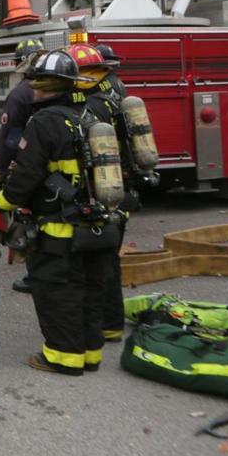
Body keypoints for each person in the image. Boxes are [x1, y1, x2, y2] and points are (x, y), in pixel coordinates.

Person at [0, 49, 115, 375]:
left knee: (58, 290)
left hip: (59, 228)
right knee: (90, 290)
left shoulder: (43, 123)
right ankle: (90, 354)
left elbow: (25, 177)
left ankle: (62, 356)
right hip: (96, 226)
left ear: (40, 87)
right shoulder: (90, 117)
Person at [70, 44, 131, 342]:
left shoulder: (93, 105)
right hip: (121, 185)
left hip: (103, 187)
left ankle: (106, 325)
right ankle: (111, 323)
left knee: (101, 262)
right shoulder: (117, 90)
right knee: (109, 258)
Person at [0, 37, 44, 295]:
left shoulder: (20, 94)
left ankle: (35, 274)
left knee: (28, 219)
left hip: (25, 166)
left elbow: (10, 136)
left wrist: (2, 168)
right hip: (55, 168)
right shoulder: (59, 88)